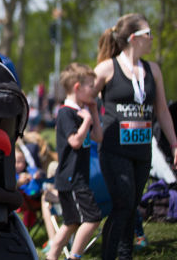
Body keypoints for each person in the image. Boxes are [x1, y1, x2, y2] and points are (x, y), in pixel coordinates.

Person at [92, 13, 177, 260]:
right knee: (123, 205)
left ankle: (125, 256)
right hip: (113, 149)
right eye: (147, 33)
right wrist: (94, 125)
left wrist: (174, 143)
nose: (151, 38)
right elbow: (85, 98)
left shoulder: (153, 70)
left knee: (131, 209)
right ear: (133, 38)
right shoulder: (107, 68)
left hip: (141, 151)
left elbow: (161, 110)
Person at [46, 63, 103, 260]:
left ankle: (52, 256)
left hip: (77, 176)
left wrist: (93, 112)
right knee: (93, 218)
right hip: (71, 178)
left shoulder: (82, 111)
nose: (94, 90)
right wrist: (86, 121)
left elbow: (98, 137)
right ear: (77, 87)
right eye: (91, 86)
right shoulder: (66, 113)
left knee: (71, 222)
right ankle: (74, 257)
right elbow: (75, 142)